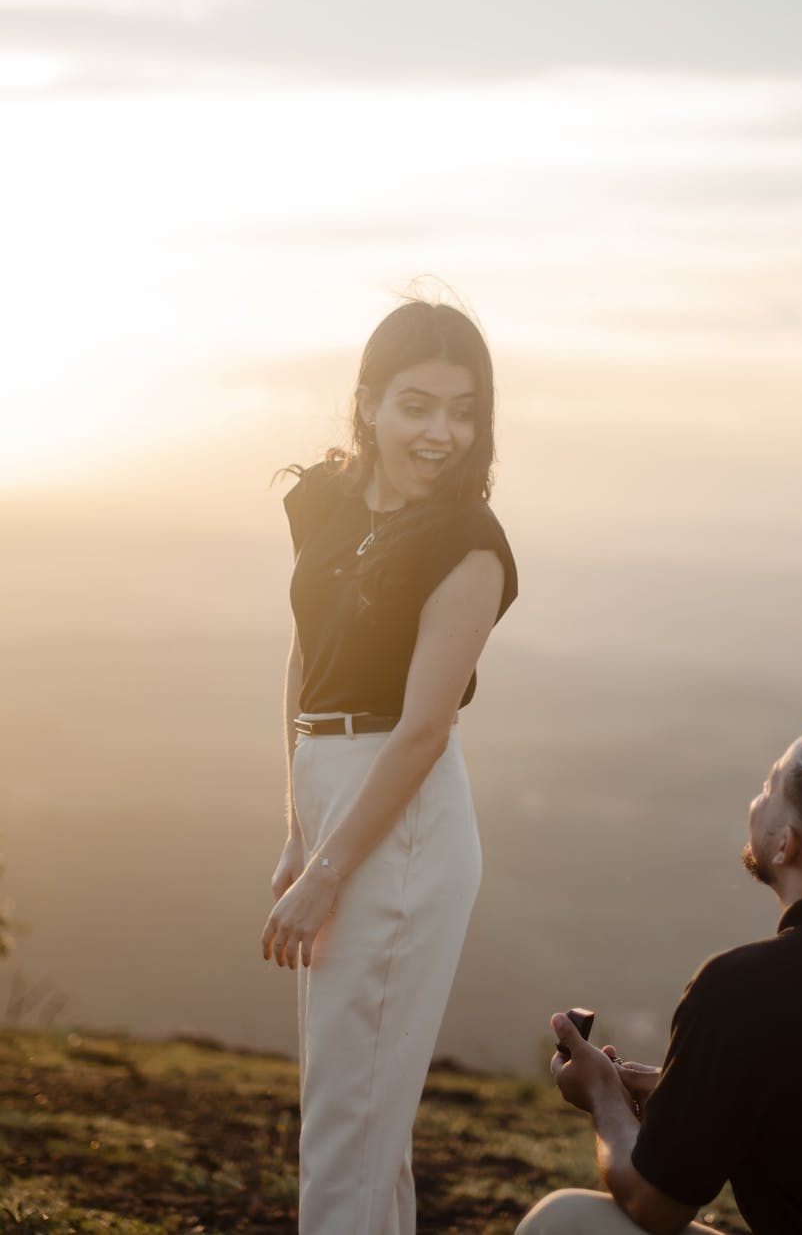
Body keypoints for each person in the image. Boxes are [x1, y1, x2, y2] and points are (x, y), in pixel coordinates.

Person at [260, 298, 517, 1235]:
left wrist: (329, 870)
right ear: (367, 403)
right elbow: (306, 657)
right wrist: (299, 829)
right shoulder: (323, 502)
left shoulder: (470, 545)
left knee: (348, 1125)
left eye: (464, 410)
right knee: (359, 1119)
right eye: (417, 405)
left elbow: (422, 733)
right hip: (333, 793)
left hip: (403, 820)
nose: (442, 432)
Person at [517, 715, 802, 1235]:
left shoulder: (745, 990)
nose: (756, 800)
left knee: (564, 1222)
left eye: (769, 788)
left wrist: (602, 1092)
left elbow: (656, 1204)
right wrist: (690, 1094)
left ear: (784, 844)